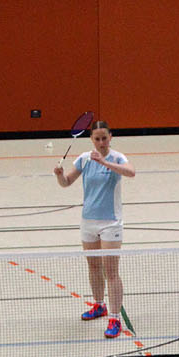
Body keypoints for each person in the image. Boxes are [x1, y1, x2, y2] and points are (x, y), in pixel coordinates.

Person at [53, 120, 135, 340]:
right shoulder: (84, 159)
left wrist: (105, 162)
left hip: (111, 223)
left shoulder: (117, 158)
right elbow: (66, 182)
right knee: (93, 266)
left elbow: (131, 172)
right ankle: (99, 305)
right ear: (91, 139)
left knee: (111, 271)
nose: (101, 142)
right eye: (97, 139)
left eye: (104, 138)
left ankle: (115, 318)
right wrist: (59, 175)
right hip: (88, 221)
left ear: (110, 137)